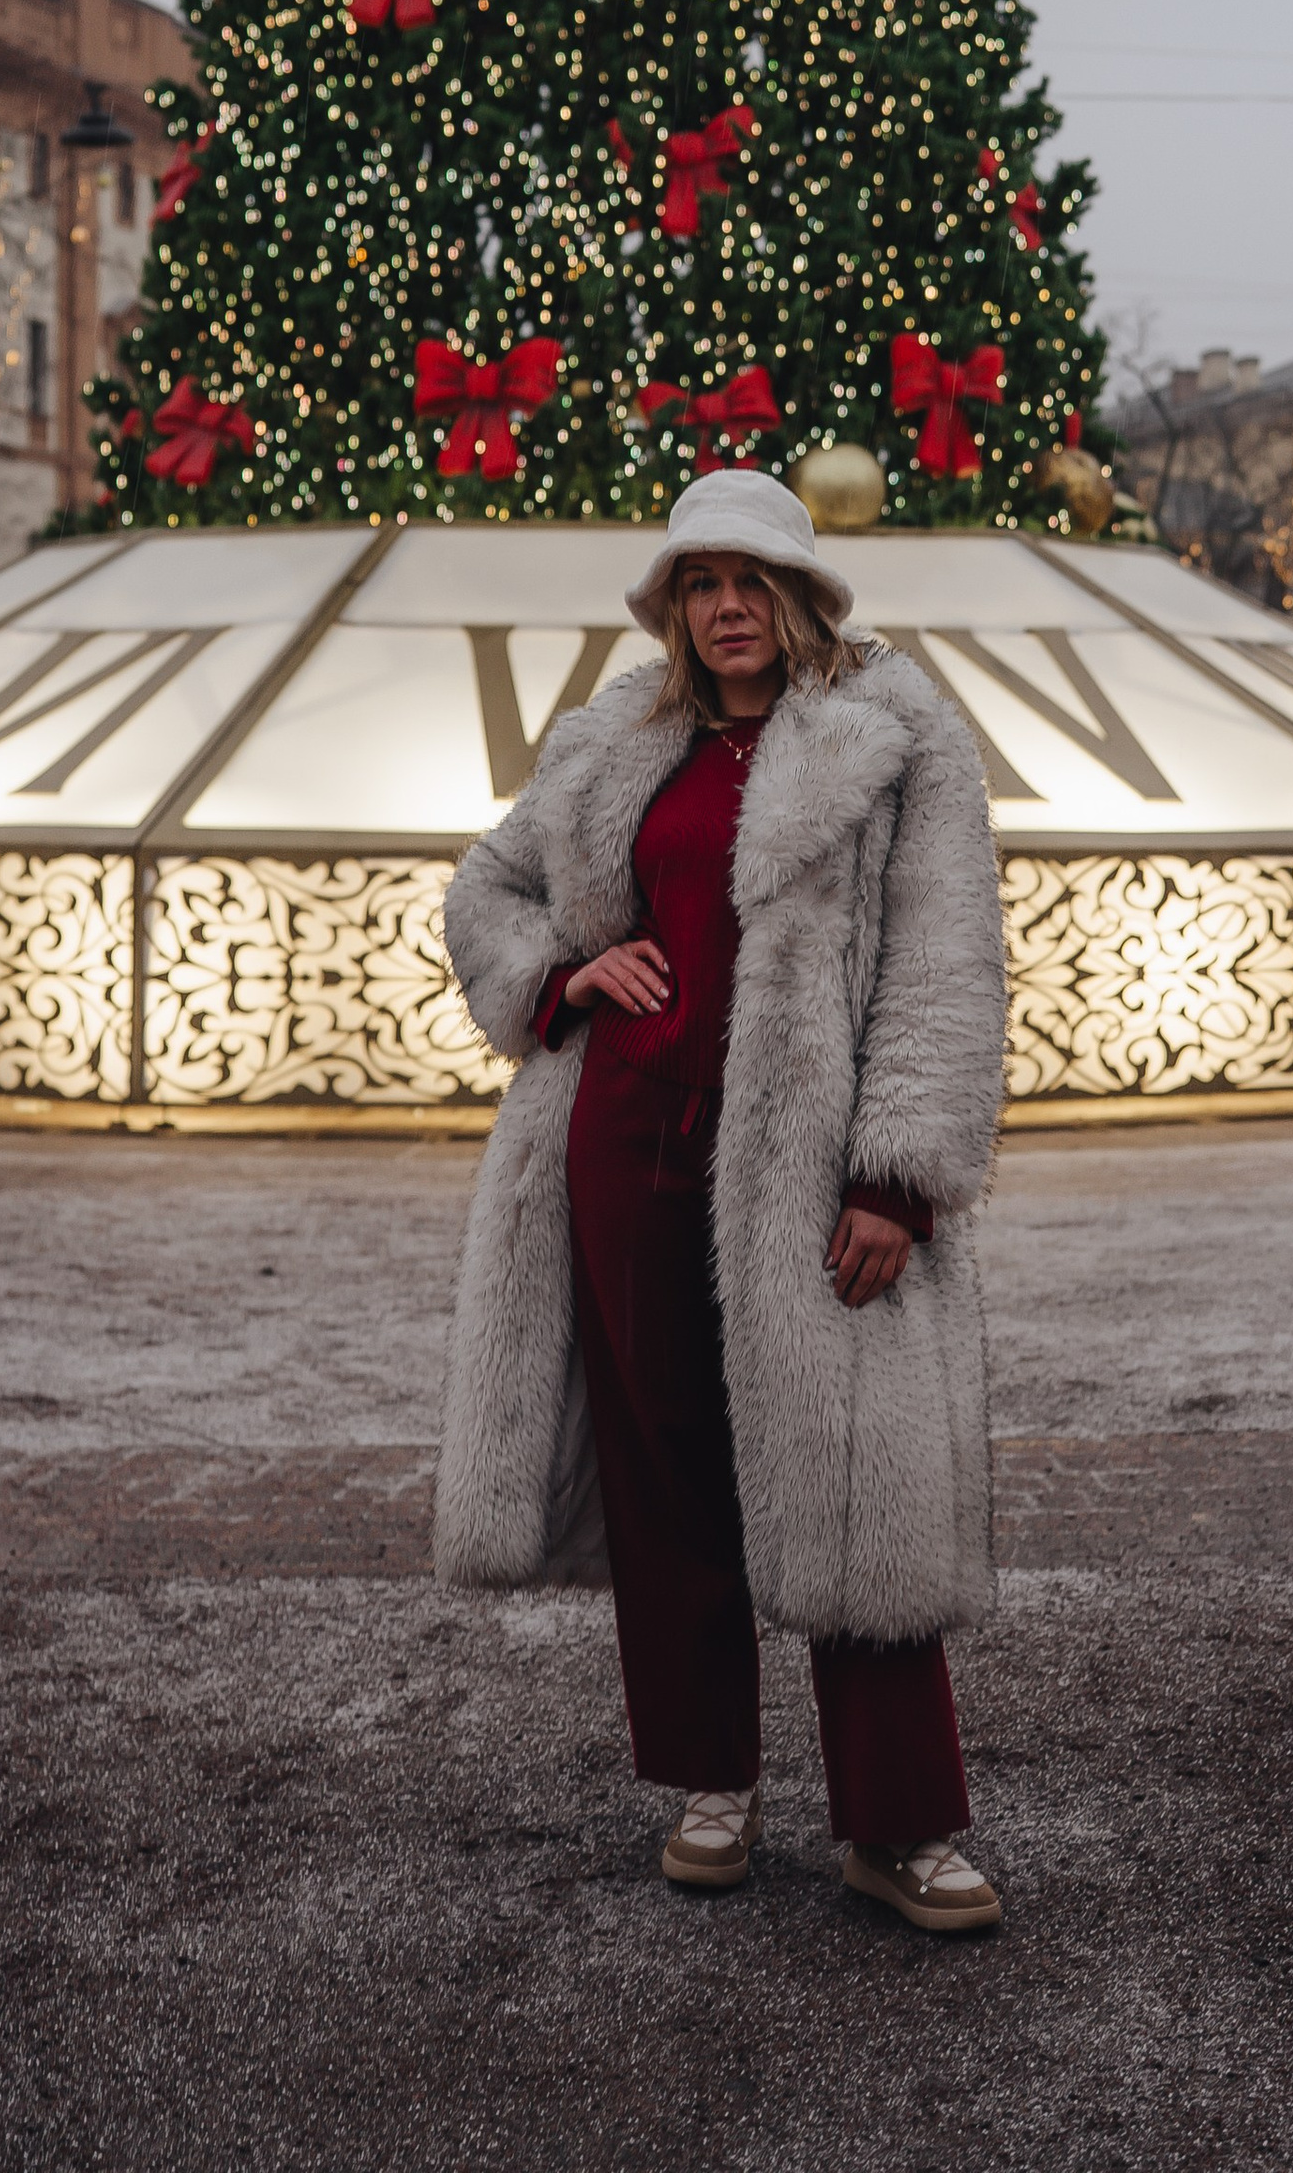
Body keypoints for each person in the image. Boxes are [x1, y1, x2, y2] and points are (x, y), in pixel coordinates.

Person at [437, 468, 1008, 1933]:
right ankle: (711, 1783)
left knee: (855, 1477)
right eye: (702, 583)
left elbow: (944, 968)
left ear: (804, 595)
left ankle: (902, 1824)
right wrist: (566, 978)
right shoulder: (619, 739)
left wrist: (899, 1179)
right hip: (623, 1151)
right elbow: (486, 891)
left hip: (811, 1175)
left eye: (752, 581)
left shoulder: (897, 737)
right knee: (667, 1479)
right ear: (674, 606)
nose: (729, 608)